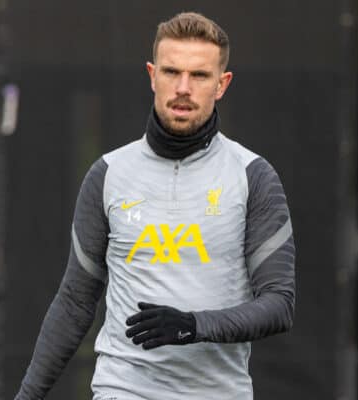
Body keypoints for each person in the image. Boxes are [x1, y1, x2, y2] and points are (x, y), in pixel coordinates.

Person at [15, 12, 295, 400]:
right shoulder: (108, 174)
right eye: (171, 72)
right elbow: (75, 301)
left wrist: (194, 325)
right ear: (152, 75)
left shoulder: (253, 176)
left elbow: (279, 304)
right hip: (123, 390)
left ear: (221, 84)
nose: (183, 87)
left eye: (199, 76)